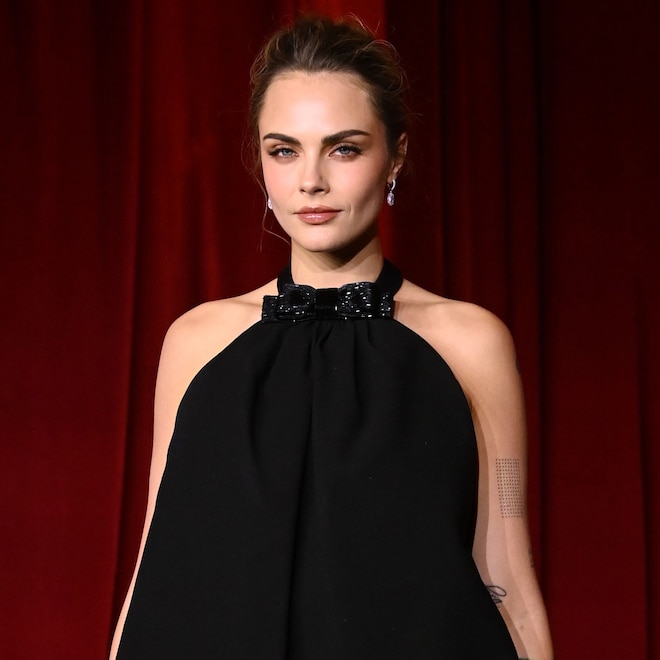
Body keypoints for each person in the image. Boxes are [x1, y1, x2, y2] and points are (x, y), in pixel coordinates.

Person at [110, 14, 553, 659]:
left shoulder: (468, 342)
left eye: (344, 148)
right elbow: (156, 563)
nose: (310, 180)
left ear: (396, 154)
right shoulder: (198, 341)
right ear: (260, 162)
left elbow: (508, 575)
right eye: (283, 150)